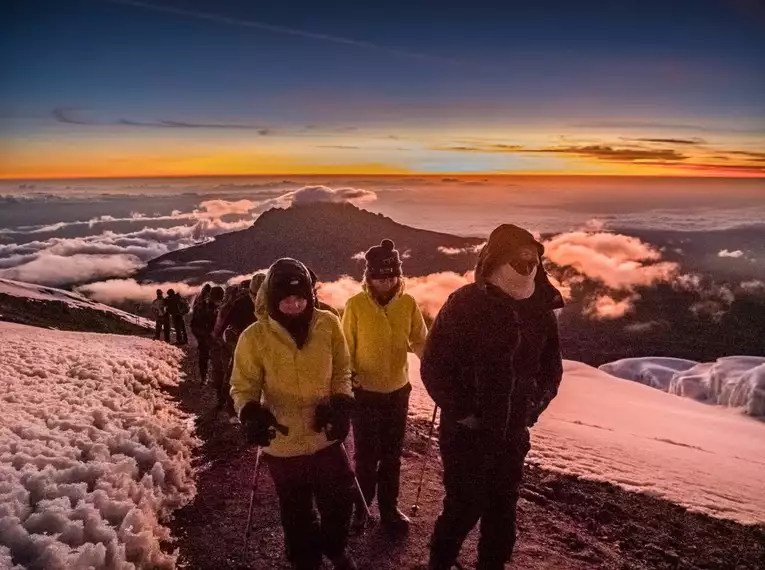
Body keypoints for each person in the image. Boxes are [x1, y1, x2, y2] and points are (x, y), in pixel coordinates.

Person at [421, 224, 564, 570]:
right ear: (497, 260)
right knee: (464, 508)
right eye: (518, 260)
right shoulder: (465, 304)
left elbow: (551, 369)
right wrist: (464, 412)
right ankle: (439, 564)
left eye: (533, 261)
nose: (527, 267)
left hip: (512, 435)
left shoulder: (539, 309)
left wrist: (531, 409)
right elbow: (435, 366)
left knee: (502, 514)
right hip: (466, 435)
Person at [230, 258, 358, 570]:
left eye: (300, 298)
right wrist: (250, 412)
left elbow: (342, 369)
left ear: (311, 296)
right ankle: (306, 561)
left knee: (341, 500)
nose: (294, 305)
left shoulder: (329, 324)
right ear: (272, 299)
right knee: (296, 512)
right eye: (286, 300)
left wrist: (341, 402)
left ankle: (335, 547)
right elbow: (242, 385)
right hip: (283, 442)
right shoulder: (254, 337)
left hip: (324, 435)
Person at [342, 239, 428, 533]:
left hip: (397, 391)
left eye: (391, 276)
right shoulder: (355, 305)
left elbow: (419, 339)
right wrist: (347, 379)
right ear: (369, 277)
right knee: (366, 456)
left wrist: (435, 365)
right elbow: (345, 348)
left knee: (391, 455)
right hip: (364, 392)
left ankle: (389, 509)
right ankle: (362, 509)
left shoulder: (408, 303)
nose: (386, 282)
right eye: (379, 276)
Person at [212, 275, 265, 415]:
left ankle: (229, 405)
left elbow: (226, 322)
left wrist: (220, 336)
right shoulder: (271, 303)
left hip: (241, 341)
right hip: (250, 342)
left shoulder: (239, 302)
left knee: (236, 373)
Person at [190, 285, 224, 383]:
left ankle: (216, 378)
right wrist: (204, 337)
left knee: (217, 360)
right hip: (205, 337)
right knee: (204, 357)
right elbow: (194, 325)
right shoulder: (201, 307)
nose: (219, 302)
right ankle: (204, 377)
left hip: (215, 339)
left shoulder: (222, 306)